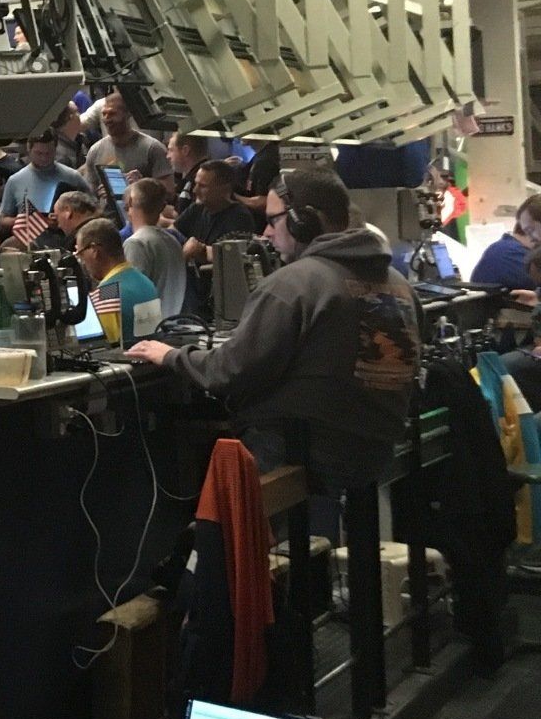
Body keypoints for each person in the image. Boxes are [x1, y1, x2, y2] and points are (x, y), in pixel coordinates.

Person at [128, 169, 421, 490]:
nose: (266, 232)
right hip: (375, 451)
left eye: (273, 220)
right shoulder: (399, 283)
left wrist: (170, 354)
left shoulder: (294, 284)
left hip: (309, 451)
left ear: (302, 221)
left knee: (203, 477)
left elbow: (227, 371)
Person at [178, 159, 261, 313]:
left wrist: (200, 250)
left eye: (203, 186)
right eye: (196, 184)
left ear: (224, 189)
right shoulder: (197, 209)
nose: (195, 190)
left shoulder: (239, 217)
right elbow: (173, 233)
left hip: (222, 302)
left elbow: (233, 257)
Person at [73, 217, 161, 344]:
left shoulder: (106, 294)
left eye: (80, 254)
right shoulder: (146, 282)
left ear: (94, 250)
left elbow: (100, 348)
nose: (82, 261)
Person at [83, 91, 173, 207]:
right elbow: (89, 194)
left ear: (128, 114)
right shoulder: (95, 151)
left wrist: (142, 186)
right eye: (104, 114)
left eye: (112, 114)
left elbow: (169, 193)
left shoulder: (152, 148)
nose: (106, 119)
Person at [0, 129, 92, 225]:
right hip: (30, 236)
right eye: (39, 153)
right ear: (29, 149)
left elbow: (94, 209)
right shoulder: (15, 181)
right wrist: (22, 221)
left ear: (55, 150)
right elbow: (1, 220)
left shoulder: (72, 176)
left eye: (48, 153)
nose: (44, 158)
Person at [123, 178, 187, 318]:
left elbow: (130, 293)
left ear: (130, 203)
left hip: (148, 330)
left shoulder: (136, 243)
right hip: (173, 326)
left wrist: (101, 289)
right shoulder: (173, 241)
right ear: (162, 206)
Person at [470, 194, 541, 289]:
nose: (532, 238)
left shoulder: (504, 248)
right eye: (527, 232)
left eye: (531, 230)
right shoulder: (513, 253)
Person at [166, 131, 208, 218]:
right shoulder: (188, 179)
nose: (168, 156)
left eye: (171, 150)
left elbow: (196, 223)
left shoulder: (204, 180)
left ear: (185, 150)